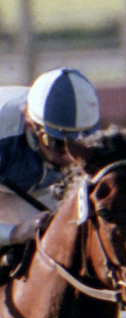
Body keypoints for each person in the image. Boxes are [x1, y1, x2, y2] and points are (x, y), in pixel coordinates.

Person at [0, 67, 100, 280]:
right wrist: (14, 232)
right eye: (55, 143)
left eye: (78, 144)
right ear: (30, 124)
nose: (69, 156)